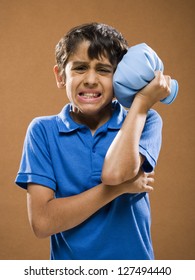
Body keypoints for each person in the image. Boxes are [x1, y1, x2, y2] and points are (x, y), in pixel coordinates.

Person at [15, 22, 171, 260]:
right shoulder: (42, 131)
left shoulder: (145, 119)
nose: (90, 79)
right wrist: (120, 189)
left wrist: (140, 103)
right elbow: (43, 223)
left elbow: (114, 172)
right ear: (60, 76)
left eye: (103, 70)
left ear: (120, 79)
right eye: (79, 68)